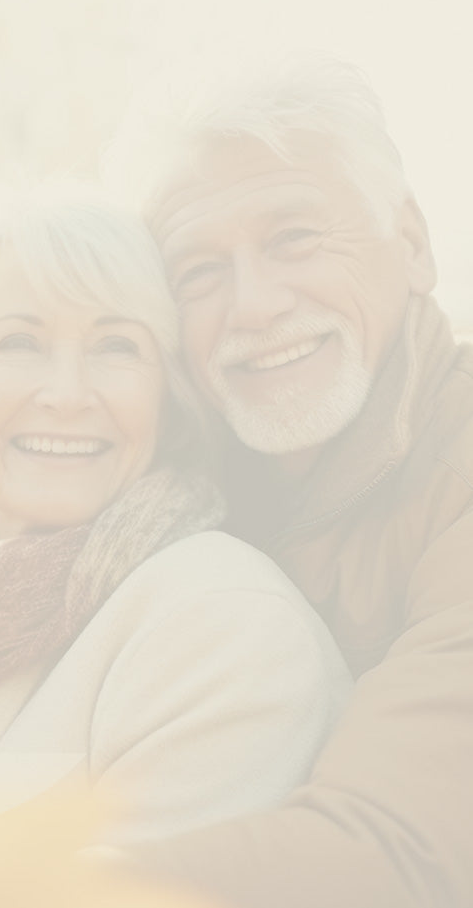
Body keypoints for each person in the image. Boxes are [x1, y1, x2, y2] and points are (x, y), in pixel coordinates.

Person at [0, 180, 349, 848]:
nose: (69, 395)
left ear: (167, 400)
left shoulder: (226, 623)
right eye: (19, 342)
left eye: (116, 347)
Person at [107, 54, 473, 905]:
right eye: (198, 272)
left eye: (295, 240)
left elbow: (395, 851)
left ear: (413, 245)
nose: (254, 305)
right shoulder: (164, 473)